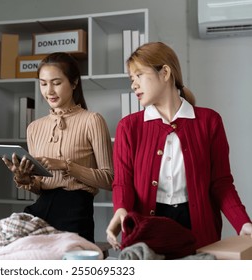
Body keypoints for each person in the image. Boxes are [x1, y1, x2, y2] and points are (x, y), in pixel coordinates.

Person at [106, 42, 252, 250]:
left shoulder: (209, 121)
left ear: (165, 72)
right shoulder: (128, 127)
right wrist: (121, 209)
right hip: (147, 231)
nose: (133, 85)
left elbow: (221, 182)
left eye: (139, 75)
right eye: (131, 79)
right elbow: (123, 183)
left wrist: (242, 222)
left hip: (199, 231)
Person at [2, 52, 114, 243]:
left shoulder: (92, 121)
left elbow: (110, 179)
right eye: (43, 83)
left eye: (56, 82)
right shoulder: (34, 128)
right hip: (41, 210)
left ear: (74, 82)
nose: (49, 91)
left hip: (76, 213)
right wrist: (24, 178)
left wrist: (65, 165)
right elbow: (39, 187)